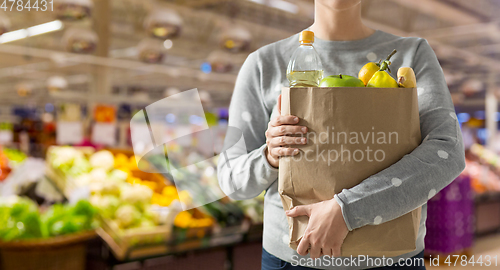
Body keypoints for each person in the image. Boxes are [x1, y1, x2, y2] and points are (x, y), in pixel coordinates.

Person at [217, 0, 465, 269]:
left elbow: (447, 151)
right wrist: (271, 155)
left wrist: (348, 210)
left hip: (392, 258)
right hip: (291, 260)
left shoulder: (411, 55)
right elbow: (231, 178)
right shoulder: (263, 64)